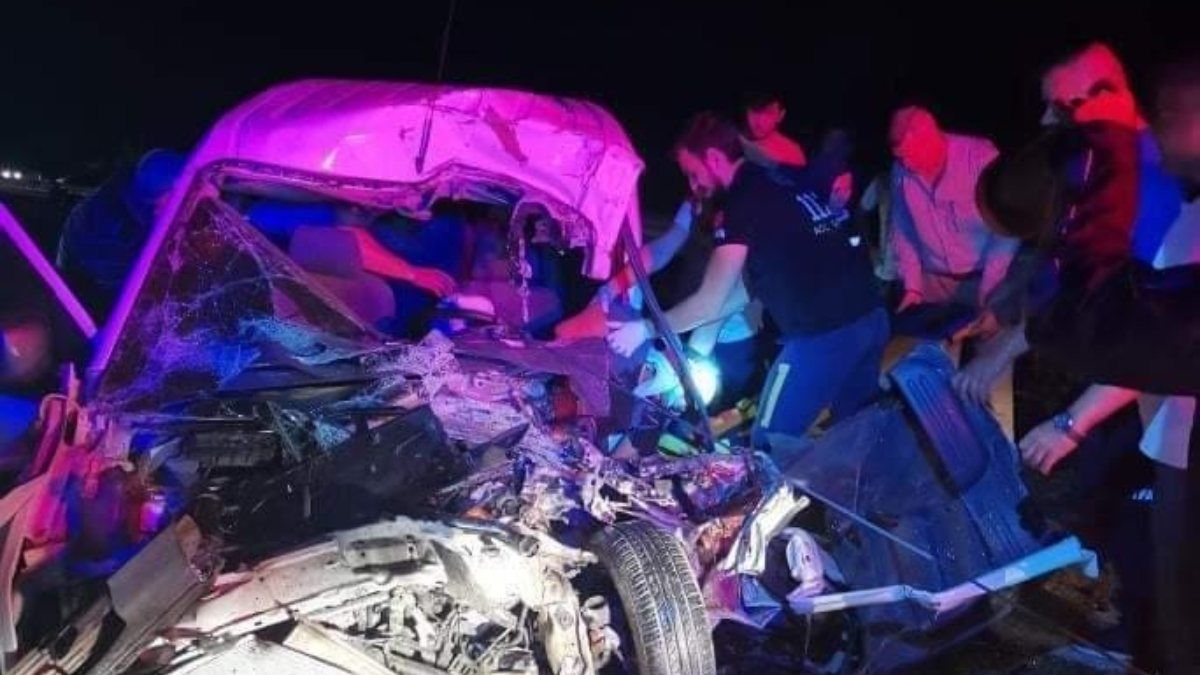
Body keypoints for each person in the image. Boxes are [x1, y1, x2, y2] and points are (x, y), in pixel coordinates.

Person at [607, 112, 885, 449]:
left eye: (693, 173)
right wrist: (683, 360)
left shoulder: (742, 200)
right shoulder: (779, 180)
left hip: (822, 338)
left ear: (713, 158)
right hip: (870, 317)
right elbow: (743, 291)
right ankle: (879, 479)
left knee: (767, 446)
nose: (694, 186)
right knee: (862, 429)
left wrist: (647, 328)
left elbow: (709, 302)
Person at [886, 105, 1018, 435]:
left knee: (991, 366)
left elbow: (1006, 230)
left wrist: (991, 292)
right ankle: (942, 439)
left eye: (912, 157)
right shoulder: (902, 169)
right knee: (933, 364)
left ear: (934, 140)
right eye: (901, 159)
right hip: (934, 281)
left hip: (984, 277)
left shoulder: (981, 159)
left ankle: (998, 441)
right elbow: (902, 228)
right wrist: (913, 285)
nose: (908, 166)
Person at [56, 149, 186, 317]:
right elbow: (135, 295)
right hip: (90, 301)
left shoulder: (142, 183)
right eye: (182, 198)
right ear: (159, 204)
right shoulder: (108, 233)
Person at [740, 93, 807, 168]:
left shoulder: (792, 153)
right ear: (746, 109)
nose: (760, 122)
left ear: (781, 115)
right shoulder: (732, 138)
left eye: (769, 113)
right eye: (755, 111)